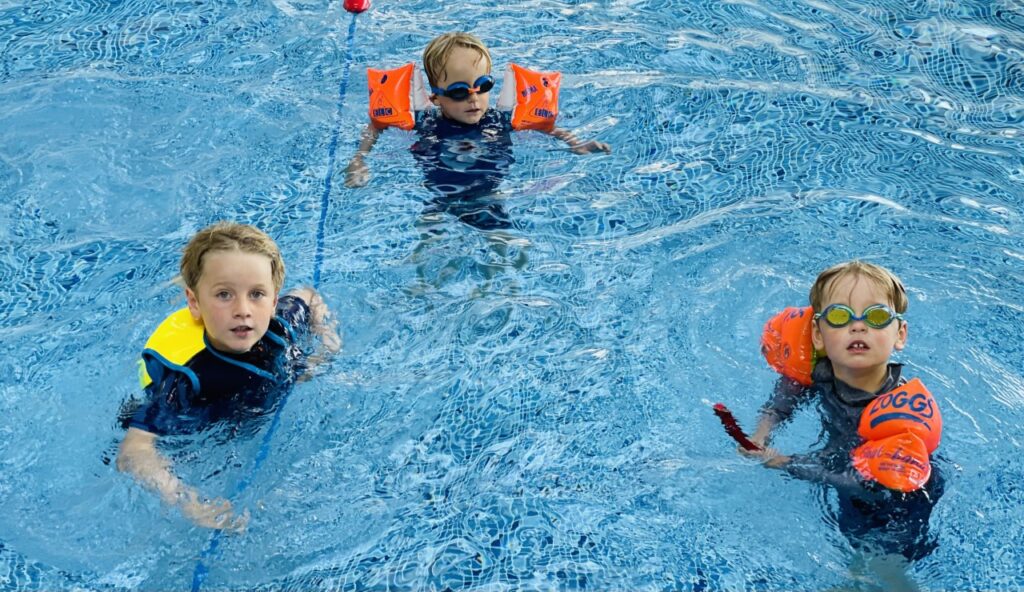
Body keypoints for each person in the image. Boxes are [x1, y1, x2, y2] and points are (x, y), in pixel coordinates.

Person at [116, 222, 340, 530]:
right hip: (198, 431)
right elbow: (133, 451)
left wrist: (326, 342)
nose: (243, 310)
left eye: (257, 294)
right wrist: (189, 502)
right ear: (194, 303)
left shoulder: (280, 326)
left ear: (274, 302)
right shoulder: (188, 380)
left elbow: (309, 296)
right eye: (224, 295)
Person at [745, 261, 944, 590]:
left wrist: (787, 463)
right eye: (840, 316)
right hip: (849, 478)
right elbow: (784, 399)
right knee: (855, 570)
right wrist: (760, 434)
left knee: (884, 570)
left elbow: (864, 481)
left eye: (876, 316)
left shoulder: (897, 411)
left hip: (898, 494)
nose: (858, 327)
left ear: (900, 335)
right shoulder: (822, 371)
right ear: (818, 336)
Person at [344, 32, 610, 231]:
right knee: (427, 241)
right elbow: (376, 126)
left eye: (483, 86)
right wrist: (359, 159)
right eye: (459, 92)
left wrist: (576, 144)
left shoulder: (499, 120)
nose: (474, 99)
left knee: (509, 249)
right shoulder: (425, 122)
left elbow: (549, 129)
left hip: (488, 196)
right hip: (440, 197)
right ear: (436, 98)